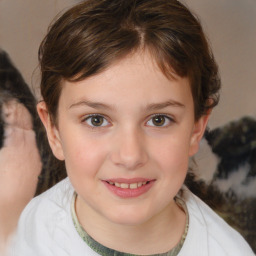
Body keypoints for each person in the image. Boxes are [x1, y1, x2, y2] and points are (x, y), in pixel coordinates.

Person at [9, 0, 254, 255]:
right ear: (53, 130)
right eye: (96, 120)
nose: (129, 156)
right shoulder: (31, 227)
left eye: (159, 120)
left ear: (196, 129)